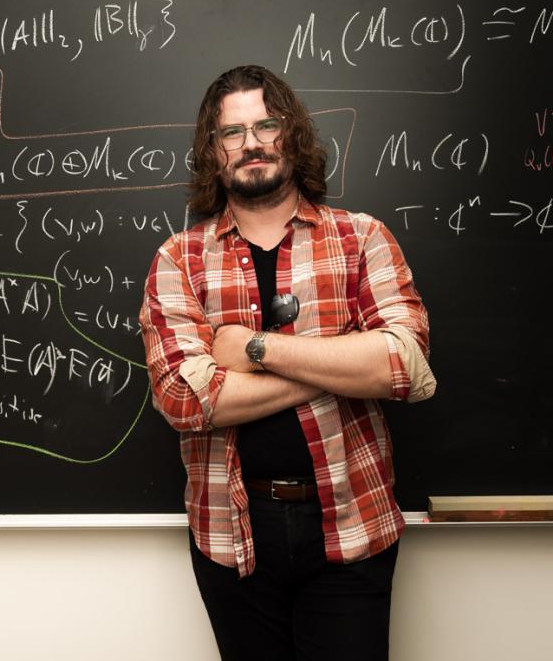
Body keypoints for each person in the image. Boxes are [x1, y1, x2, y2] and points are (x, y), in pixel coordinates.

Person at [139, 65, 436, 661]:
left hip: (353, 524)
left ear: (292, 135)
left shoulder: (362, 239)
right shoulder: (179, 259)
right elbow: (185, 398)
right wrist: (341, 359)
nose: (251, 143)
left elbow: (407, 367)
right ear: (213, 151)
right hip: (231, 535)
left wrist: (255, 347)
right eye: (232, 133)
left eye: (266, 125)